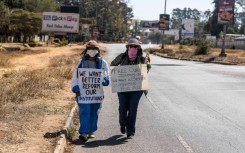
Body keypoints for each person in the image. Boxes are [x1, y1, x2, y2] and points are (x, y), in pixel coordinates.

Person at [110, 38, 151, 139]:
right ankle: (122, 124)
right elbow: (112, 65)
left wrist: (147, 65)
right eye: (131, 46)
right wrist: (119, 74)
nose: (133, 48)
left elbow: (147, 70)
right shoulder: (122, 56)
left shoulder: (142, 58)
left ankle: (130, 131)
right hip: (123, 88)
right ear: (127, 47)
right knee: (123, 108)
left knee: (133, 109)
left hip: (136, 88)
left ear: (138, 48)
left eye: (135, 46)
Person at [71, 40, 110, 142]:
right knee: (85, 111)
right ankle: (84, 132)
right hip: (83, 93)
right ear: (86, 50)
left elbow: (106, 74)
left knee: (94, 112)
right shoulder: (81, 63)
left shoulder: (103, 63)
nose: (92, 51)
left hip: (96, 94)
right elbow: (75, 76)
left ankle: (91, 130)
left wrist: (105, 80)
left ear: (97, 50)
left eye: (94, 49)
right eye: (90, 49)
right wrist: (75, 87)